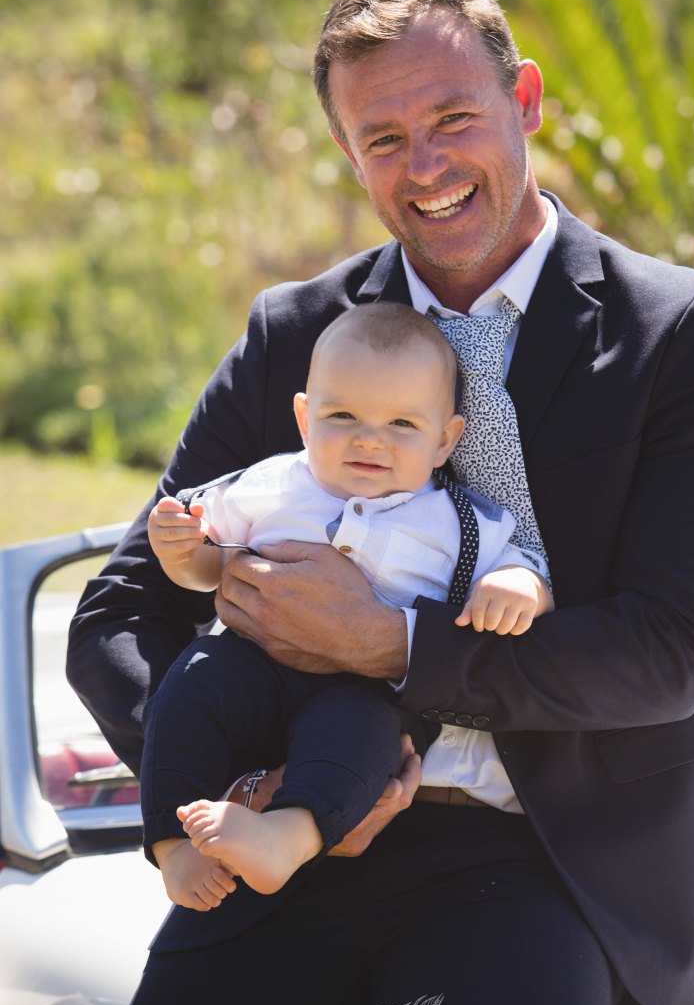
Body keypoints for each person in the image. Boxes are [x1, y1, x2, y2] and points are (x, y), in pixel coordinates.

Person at [67, 0, 694, 1005]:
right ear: (347, 153)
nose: (427, 166)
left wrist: (390, 647)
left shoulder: (680, 333)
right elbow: (119, 612)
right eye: (384, 138)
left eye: (453, 119)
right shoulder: (296, 333)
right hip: (288, 835)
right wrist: (252, 784)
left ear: (524, 100)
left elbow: (664, 656)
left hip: (548, 862)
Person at [142, 303, 551, 910]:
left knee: (366, 737)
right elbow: (208, 567)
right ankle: (174, 843)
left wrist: (519, 586)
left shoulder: (462, 521)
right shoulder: (271, 484)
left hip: (368, 689)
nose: (369, 439)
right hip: (252, 668)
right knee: (192, 681)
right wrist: (180, 550)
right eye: (343, 416)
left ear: (445, 440)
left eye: (402, 424)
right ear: (304, 419)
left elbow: (526, 567)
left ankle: (290, 835)